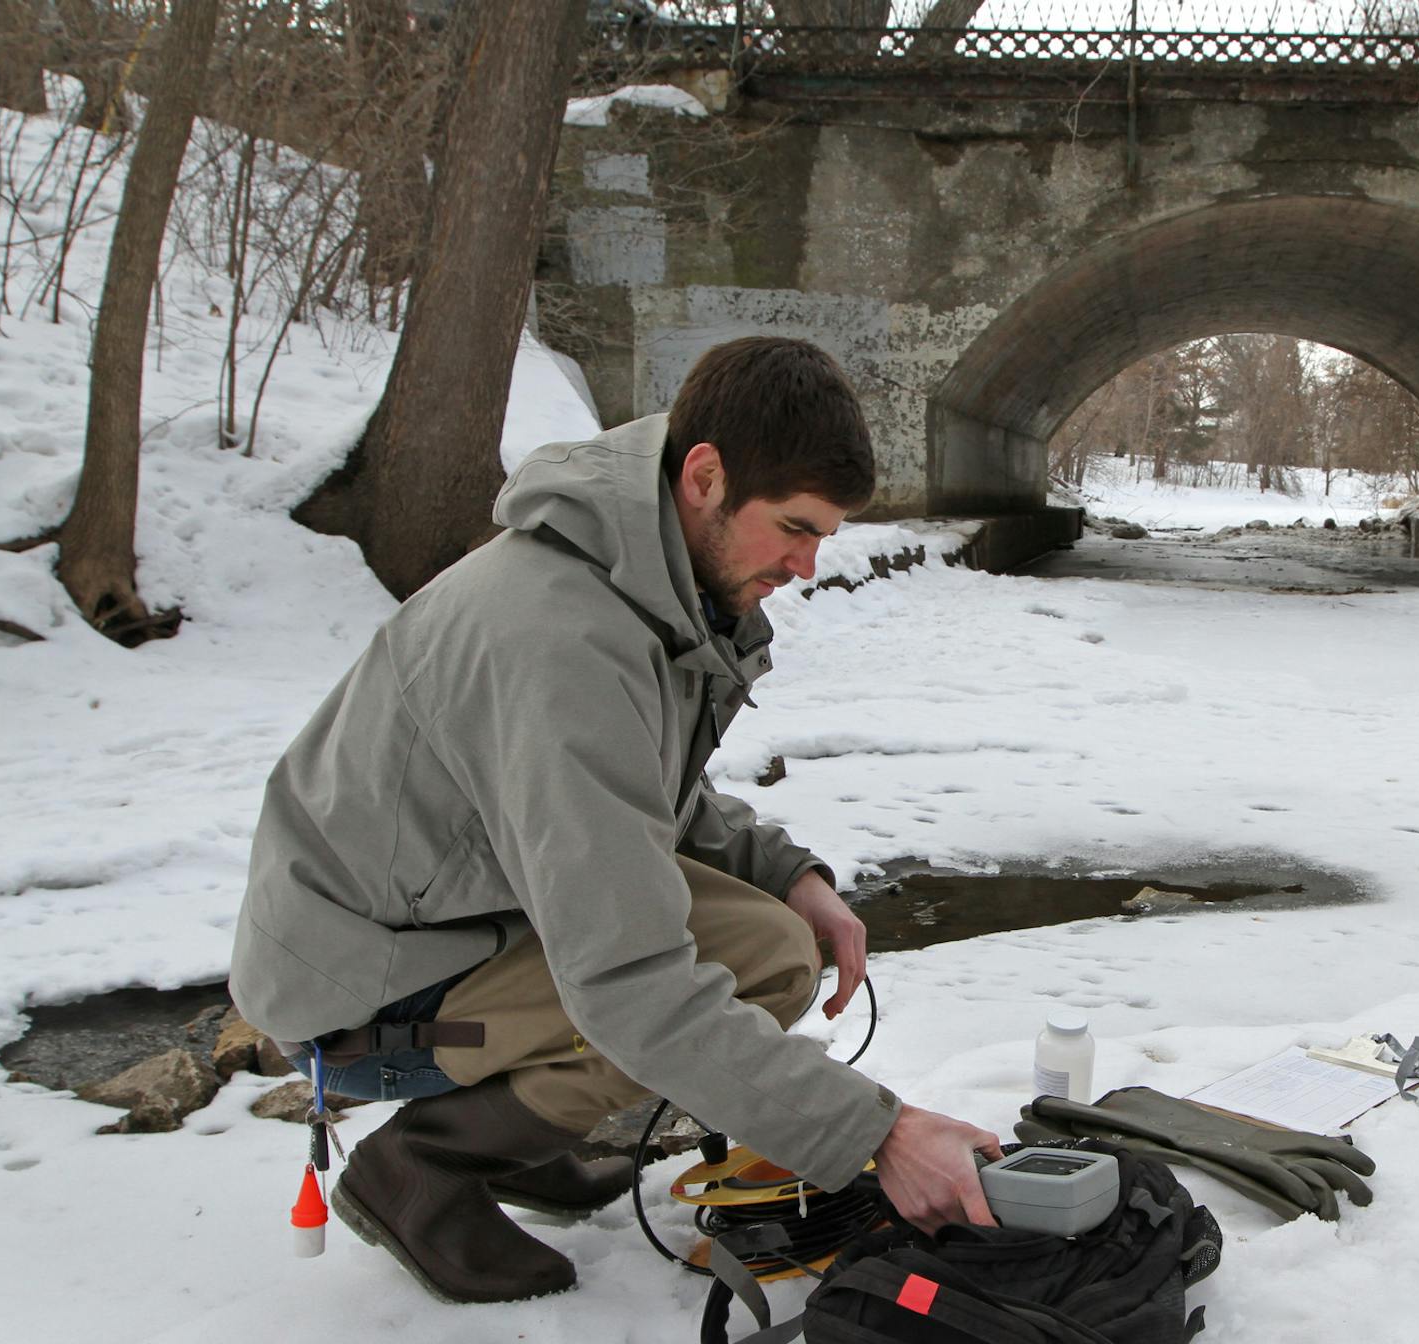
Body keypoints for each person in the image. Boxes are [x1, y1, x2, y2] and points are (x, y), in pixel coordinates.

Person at [230, 336, 1001, 1304]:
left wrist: (789, 873)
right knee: (716, 970)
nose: (806, 566)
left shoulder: (633, 575)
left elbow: (631, 793)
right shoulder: (565, 640)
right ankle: (423, 1170)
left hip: (454, 915)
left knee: (773, 932)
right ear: (705, 477)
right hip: (361, 983)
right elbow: (631, 985)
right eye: (796, 528)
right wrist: (882, 1136)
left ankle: (518, 1133)